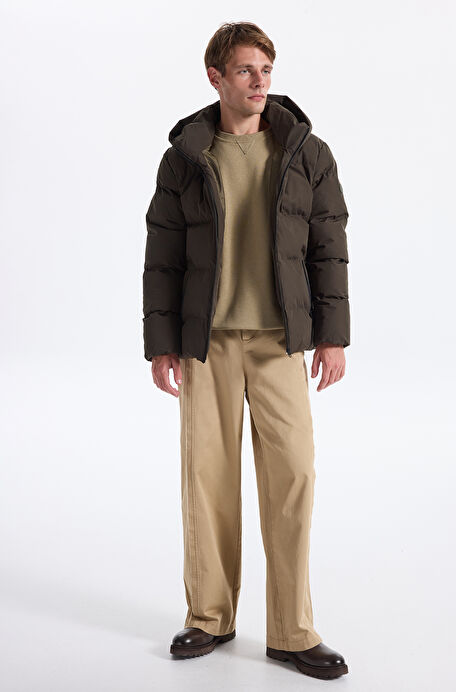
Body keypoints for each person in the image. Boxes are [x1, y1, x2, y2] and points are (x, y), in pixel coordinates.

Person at [142, 21, 351, 680]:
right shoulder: (186, 156)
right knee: (206, 480)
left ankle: (292, 631)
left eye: (266, 69)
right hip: (204, 344)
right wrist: (161, 345)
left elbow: (329, 245)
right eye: (244, 70)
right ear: (216, 77)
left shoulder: (306, 152)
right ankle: (209, 617)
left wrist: (332, 334)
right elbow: (163, 254)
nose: (259, 82)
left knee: (293, 477)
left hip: (279, 342)